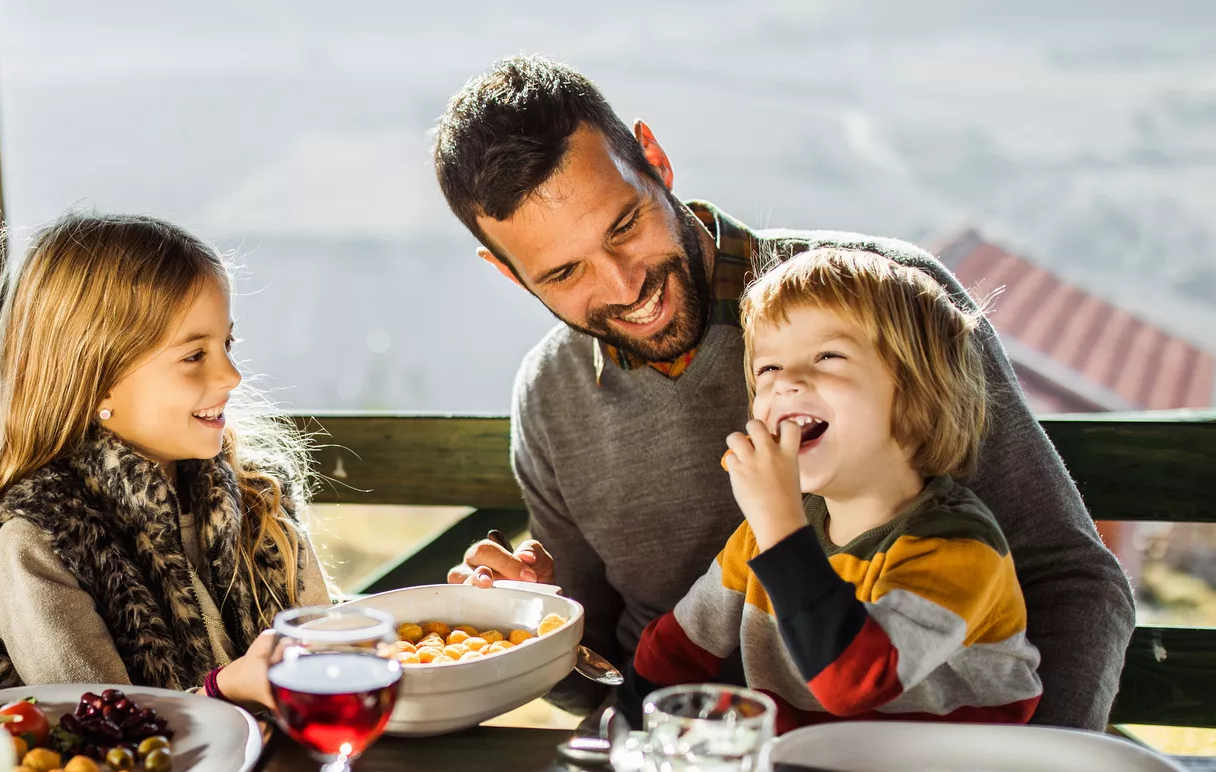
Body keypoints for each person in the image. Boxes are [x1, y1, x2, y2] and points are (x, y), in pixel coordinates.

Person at [434, 55, 1133, 730]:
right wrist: (532, 624)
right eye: (562, 274)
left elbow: (1071, 581)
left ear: (654, 158)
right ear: (507, 272)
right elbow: (607, 677)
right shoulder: (551, 394)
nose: (623, 287)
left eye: (625, 226)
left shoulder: (883, 299)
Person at [0, 213, 334, 707]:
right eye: (193, 355)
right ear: (95, 376)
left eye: (227, 344)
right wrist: (221, 692)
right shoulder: (42, 540)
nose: (231, 376)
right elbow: (99, 727)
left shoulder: (256, 498)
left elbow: (328, 650)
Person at [626, 247, 1042, 731]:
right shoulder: (764, 534)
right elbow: (679, 647)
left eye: (828, 356)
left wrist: (779, 523)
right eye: (768, 368)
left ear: (916, 390)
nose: (786, 383)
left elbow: (854, 681)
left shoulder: (958, 547)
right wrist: (625, 733)